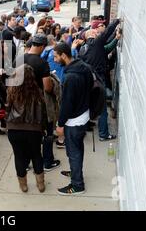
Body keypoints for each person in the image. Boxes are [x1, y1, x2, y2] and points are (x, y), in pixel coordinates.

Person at [53, 42, 93, 195]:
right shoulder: (84, 67)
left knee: (73, 151)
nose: (55, 60)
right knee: (77, 149)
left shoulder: (70, 77)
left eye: (56, 57)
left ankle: (77, 185)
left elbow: (66, 105)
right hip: (83, 115)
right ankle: (75, 172)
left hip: (74, 120)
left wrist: (60, 124)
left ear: (64, 55)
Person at [21, 34, 60, 172]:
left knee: (25, 135)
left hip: (22, 104)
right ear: (42, 46)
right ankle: (47, 162)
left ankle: (25, 164)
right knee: (47, 133)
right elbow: (47, 87)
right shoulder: (42, 63)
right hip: (40, 105)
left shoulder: (19, 59)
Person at [6, 64, 47, 193]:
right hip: (33, 129)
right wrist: (43, 128)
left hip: (14, 128)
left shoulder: (12, 91)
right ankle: (40, 184)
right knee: (36, 155)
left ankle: (23, 185)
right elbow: (43, 112)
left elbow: (7, 109)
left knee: (18, 156)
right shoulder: (38, 92)